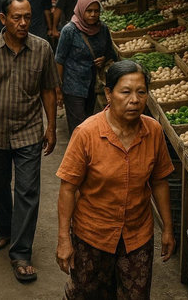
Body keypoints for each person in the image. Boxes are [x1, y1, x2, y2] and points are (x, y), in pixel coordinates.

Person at [56, 60, 175, 299]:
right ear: (109, 93)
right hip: (92, 236)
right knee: (88, 293)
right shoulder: (87, 133)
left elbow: (160, 181)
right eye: (126, 92)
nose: (134, 99)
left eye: (141, 92)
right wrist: (63, 240)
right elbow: (68, 189)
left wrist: (168, 229)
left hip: (137, 235)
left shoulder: (153, 131)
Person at [0, 0, 60, 283]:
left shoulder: (42, 48)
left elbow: (48, 90)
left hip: (29, 130)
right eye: (16, 17)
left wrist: (52, 126)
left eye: (27, 17)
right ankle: (5, 229)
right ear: (3, 19)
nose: (23, 22)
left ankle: (21, 253)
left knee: (28, 191)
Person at [55, 0, 117, 135]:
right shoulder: (69, 30)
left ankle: (87, 153)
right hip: (73, 85)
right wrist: (58, 89)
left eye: (96, 11)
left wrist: (103, 59)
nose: (93, 15)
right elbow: (59, 60)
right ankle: (79, 154)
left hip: (92, 85)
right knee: (79, 125)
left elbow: (110, 53)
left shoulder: (103, 29)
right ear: (81, 10)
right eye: (89, 11)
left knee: (89, 122)